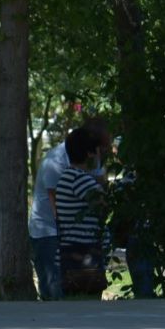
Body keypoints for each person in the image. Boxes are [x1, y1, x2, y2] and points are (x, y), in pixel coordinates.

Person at [28, 119, 110, 301]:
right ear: (90, 151)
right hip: (49, 232)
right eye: (101, 147)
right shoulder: (56, 164)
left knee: (70, 290)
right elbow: (57, 205)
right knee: (56, 288)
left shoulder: (74, 170)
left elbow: (99, 183)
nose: (103, 152)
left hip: (68, 238)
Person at [56, 127, 108, 298]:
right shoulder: (79, 179)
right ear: (89, 153)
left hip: (71, 253)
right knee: (87, 306)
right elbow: (104, 204)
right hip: (83, 256)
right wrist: (100, 169)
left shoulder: (69, 176)